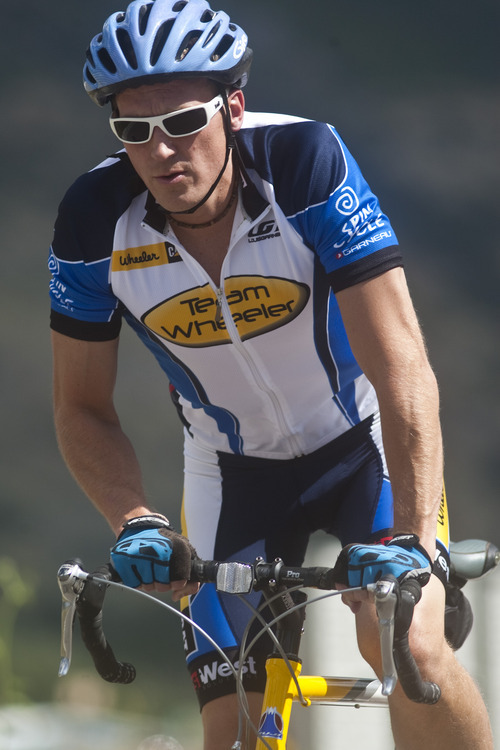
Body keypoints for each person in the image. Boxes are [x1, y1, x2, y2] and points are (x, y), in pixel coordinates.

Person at [48, 1, 493, 748]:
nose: (162, 151)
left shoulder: (304, 162)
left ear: (234, 107)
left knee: (406, 645)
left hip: (361, 446)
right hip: (231, 472)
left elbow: (403, 366)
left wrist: (416, 541)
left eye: (184, 121)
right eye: (134, 131)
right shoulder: (93, 223)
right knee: (233, 731)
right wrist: (135, 519)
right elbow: (81, 409)